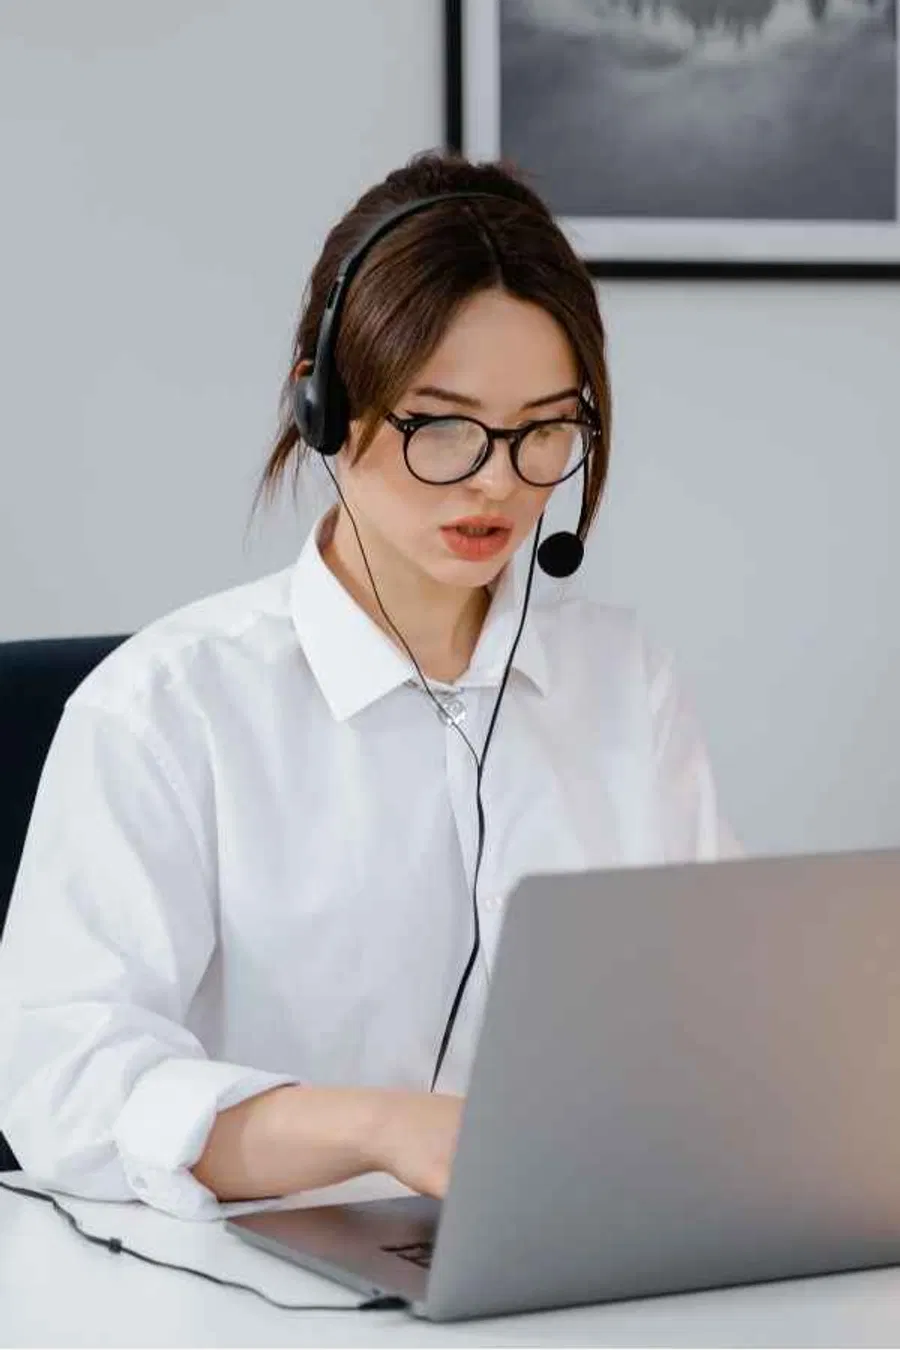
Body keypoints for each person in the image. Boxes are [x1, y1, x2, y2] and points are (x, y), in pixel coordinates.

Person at [0, 151, 737, 1221]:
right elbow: (62, 1088)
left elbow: (721, 1014)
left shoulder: (625, 682)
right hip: (250, 1290)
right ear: (325, 404)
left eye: (544, 430)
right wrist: (379, 1129)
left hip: (574, 1258)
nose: (497, 478)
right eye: (441, 424)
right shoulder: (165, 708)